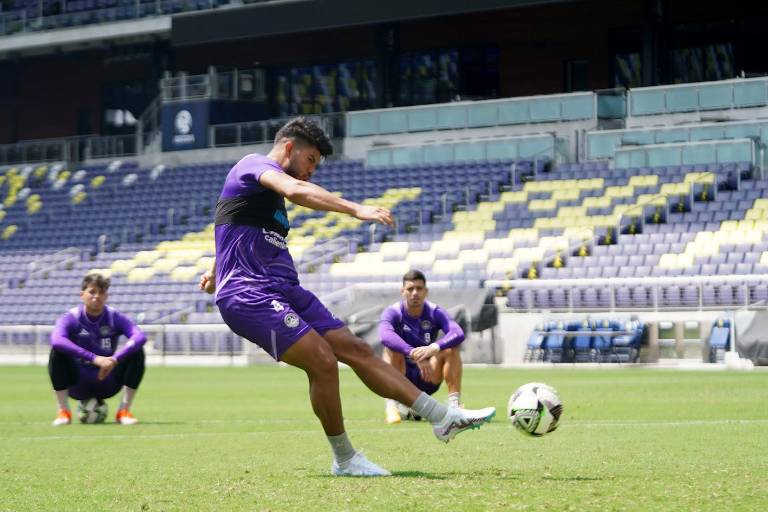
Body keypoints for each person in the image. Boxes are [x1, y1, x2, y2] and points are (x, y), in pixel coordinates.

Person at [199, 116, 495, 477]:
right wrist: (356, 209)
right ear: (289, 147)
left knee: (354, 349)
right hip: (251, 293)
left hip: (286, 289)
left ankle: (443, 418)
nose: (311, 172)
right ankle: (345, 459)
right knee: (323, 361)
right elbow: (294, 189)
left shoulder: (265, 196)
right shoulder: (254, 166)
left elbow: (233, 222)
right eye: (310, 161)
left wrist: (216, 269)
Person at [49, 273, 147, 426]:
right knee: (57, 352)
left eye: (101, 292)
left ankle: (124, 411)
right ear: (82, 295)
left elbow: (139, 336)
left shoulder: (114, 316)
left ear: (106, 296)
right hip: (77, 383)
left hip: (108, 380)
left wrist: (115, 359)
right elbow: (56, 340)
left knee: (137, 351)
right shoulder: (71, 317)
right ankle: (64, 412)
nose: (96, 296)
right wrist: (95, 358)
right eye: (92, 292)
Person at [379, 270, 466, 424]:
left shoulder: (435, 311)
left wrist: (434, 348)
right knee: (390, 349)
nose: (414, 293)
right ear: (402, 291)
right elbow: (384, 336)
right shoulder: (393, 312)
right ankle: (392, 404)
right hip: (402, 377)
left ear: (425, 291)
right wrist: (412, 352)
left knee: (451, 349)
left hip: (427, 375)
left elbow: (457, 332)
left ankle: (454, 406)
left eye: (419, 288)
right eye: (410, 289)